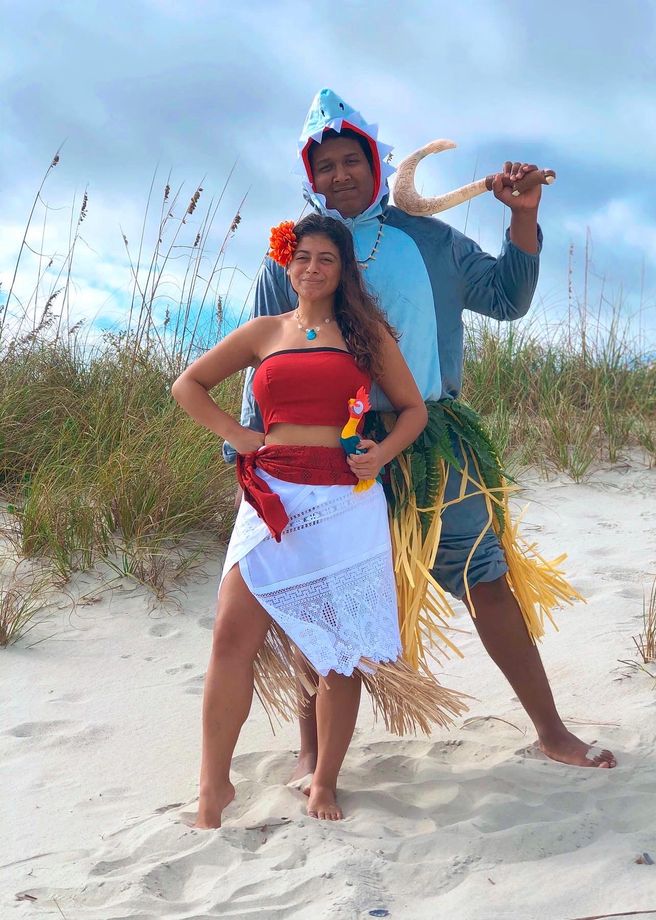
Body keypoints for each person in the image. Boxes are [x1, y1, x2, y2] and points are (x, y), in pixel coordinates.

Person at [225, 88, 617, 779]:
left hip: (428, 438)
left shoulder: (428, 240)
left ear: (376, 161)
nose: (340, 175)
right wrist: (246, 453)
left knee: (483, 578)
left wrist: (522, 218)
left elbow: (506, 297)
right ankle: (312, 751)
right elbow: (263, 365)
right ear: (309, 176)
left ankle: (551, 729)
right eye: (326, 166)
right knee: (315, 594)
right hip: (316, 454)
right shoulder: (290, 255)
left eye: (353, 159)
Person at [173, 213, 467, 828]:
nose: (312, 268)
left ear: (343, 270)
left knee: (338, 653)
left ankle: (325, 783)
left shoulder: (365, 335)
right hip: (271, 496)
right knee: (231, 638)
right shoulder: (263, 331)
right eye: (302, 256)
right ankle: (213, 787)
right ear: (288, 262)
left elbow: (411, 410)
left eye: (326, 259)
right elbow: (188, 385)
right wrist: (238, 435)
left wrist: (381, 453)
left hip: (344, 499)